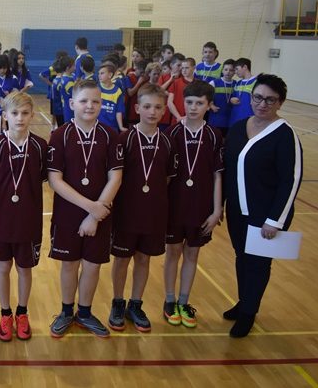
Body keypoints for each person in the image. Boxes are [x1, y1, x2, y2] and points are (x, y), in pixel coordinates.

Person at [222, 74, 303, 338]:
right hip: (237, 211)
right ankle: (244, 301)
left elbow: (291, 181)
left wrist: (275, 220)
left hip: (266, 215)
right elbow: (227, 170)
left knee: (258, 263)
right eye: (258, 97)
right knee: (241, 257)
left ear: (280, 103)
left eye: (270, 100)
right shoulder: (238, 128)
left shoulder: (285, 135)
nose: (262, 104)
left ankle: (249, 313)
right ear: (251, 97)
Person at [47, 80, 123, 339]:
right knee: (69, 264)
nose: (90, 106)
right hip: (70, 212)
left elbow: (116, 177)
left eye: (95, 101)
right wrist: (91, 209)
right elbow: (55, 180)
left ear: (101, 104)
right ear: (71, 104)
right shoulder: (60, 135)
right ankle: (66, 311)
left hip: (101, 214)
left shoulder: (110, 135)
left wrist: (95, 215)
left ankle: (85, 313)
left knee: (92, 266)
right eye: (83, 101)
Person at [109, 83, 176, 333]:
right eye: (147, 106)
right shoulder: (124, 139)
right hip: (126, 212)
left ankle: (135, 304)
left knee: (144, 258)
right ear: (137, 108)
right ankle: (118, 303)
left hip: (153, 212)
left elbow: (167, 179)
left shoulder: (168, 141)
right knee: (121, 259)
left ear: (164, 110)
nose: (152, 112)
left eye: (158, 107)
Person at [0, 92, 48, 341]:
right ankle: (5, 313)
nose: (20, 118)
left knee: (24, 268)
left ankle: (22, 312)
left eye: (24, 113)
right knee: (2, 267)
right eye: (15, 113)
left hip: (29, 219)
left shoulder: (40, 146)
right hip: (2, 217)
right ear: (5, 116)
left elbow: (43, 178)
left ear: (32, 115)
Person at [163, 81, 224, 328]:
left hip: (201, 206)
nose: (193, 107)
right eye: (189, 102)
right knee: (172, 252)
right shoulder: (172, 133)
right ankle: (169, 300)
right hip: (174, 206)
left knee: (192, 253)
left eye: (199, 103)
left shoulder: (214, 135)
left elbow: (218, 175)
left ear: (209, 105)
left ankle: (184, 301)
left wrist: (217, 209)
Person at [208, 58, 235, 137]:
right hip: (215, 118)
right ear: (222, 70)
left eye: (231, 70)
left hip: (229, 119)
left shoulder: (236, 84)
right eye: (226, 69)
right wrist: (211, 105)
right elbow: (205, 96)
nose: (228, 72)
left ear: (234, 72)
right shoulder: (214, 83)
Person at [166, 57, 197, 124]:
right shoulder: (176, 83)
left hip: (193, 120)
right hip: (177, 119)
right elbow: (169, 102)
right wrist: (179, 117)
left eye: (187, 68)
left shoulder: (199, 84)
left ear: (194, 68)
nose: (184, 70)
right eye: (182, 68)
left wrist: (189, 117)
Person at [97, 64, 126, 132]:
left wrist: (121, 127)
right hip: (97, 126)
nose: (99, 75)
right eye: (98, 73)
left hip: (112, 127)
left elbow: (119, 111)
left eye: (102, 73)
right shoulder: (96, 88)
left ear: (110, 75)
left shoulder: (118, 91)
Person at [228, 58, 255, 127]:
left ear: (245, 67)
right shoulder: (238, 83)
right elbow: (232, 97)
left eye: (237, 69)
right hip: (235, 119)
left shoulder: (256, 82)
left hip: (249, 120)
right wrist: (232, 100)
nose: (235, 72)